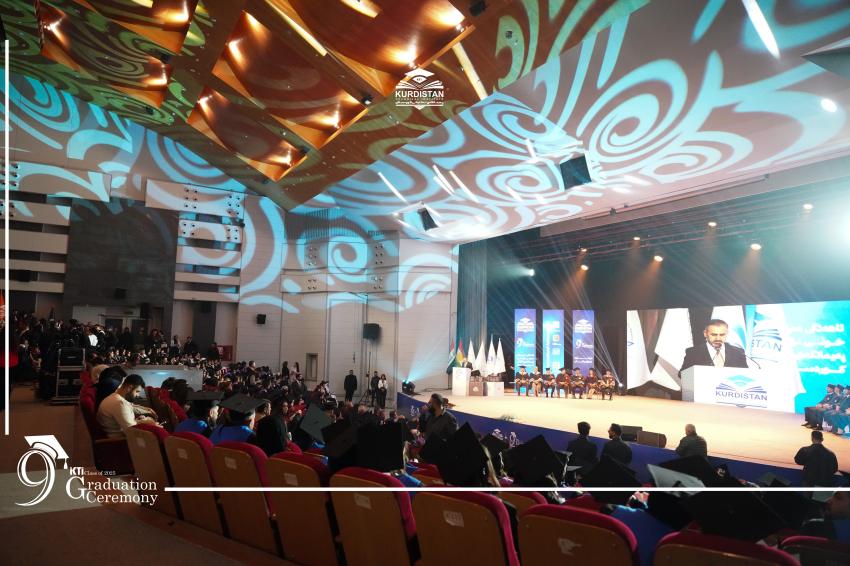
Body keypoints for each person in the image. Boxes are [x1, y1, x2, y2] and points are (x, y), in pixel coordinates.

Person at [679, 319, 748, 373]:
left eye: (722, 335)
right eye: (714, 335)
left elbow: (745, 374)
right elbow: (682, 374)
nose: (718, 338)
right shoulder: (693, 353)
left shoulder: (738, 352)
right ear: (705, 334)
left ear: (727, 334)